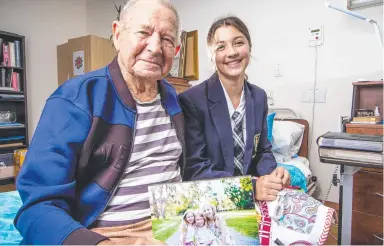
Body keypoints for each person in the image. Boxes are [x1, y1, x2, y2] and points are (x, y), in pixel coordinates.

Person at [14, 0, 184, 245]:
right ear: (117, 34)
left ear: (175, 50)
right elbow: (39, 206)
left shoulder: (175, 102)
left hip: (173, 227)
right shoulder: (74, 99)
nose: (156, 47)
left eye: (167, 39)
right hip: (106, 234)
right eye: (143, 33)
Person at [179, 16, 290, 201]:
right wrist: (251, 188)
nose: (231, 52)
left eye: (238, 43)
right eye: (221, 47)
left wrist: (272, 175)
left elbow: (263, 151)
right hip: (211, 199)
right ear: (211, 56)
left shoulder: (259, 97)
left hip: (251, 200)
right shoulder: (192, 100)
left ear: (249, 47)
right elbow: (194, 169)